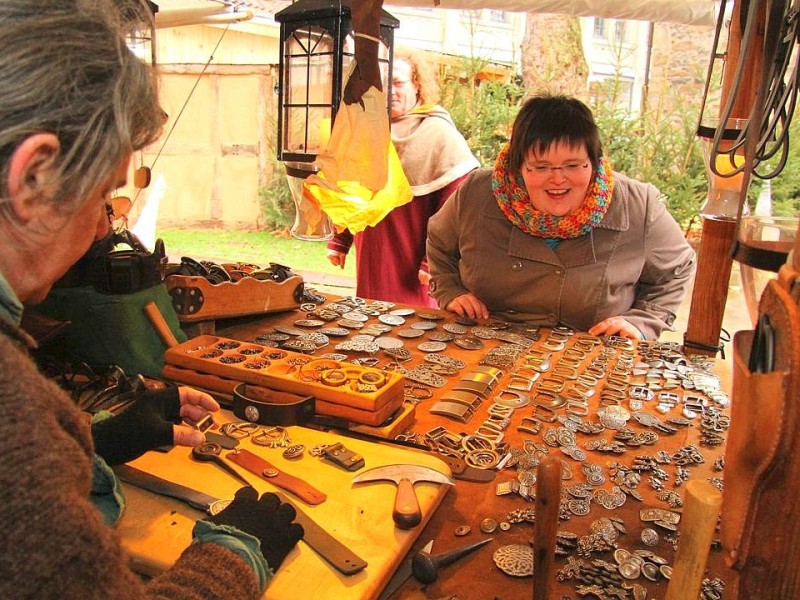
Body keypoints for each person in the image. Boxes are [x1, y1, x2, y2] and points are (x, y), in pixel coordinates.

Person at [0, 2, 301, 599]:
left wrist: (95, 443)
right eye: (104, 197)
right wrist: (234, 554)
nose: (99, 229)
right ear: (32, 178)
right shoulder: (13, 416)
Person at [426, 94, 696, 340]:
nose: (557, 179)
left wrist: (643, 321)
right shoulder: (478, 192)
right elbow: (439, 242)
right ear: (518, 165)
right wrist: (450, 289)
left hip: (591, 359)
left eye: (573, 165)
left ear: (594, 161)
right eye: (540, 167)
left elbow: (678, 269)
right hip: (485, 346)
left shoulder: (637, 205)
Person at [326, 49, 480, 307]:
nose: (390, 91)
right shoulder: (368, 130)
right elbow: (350, 192)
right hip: (372, 253)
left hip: (414, 258)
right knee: (369, 318)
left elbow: (455, 209)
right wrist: (340, 239)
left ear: (417, 84)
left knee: (411, 328)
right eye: (383, 84)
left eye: (398, 82)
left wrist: (432, 261)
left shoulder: (439, 134)